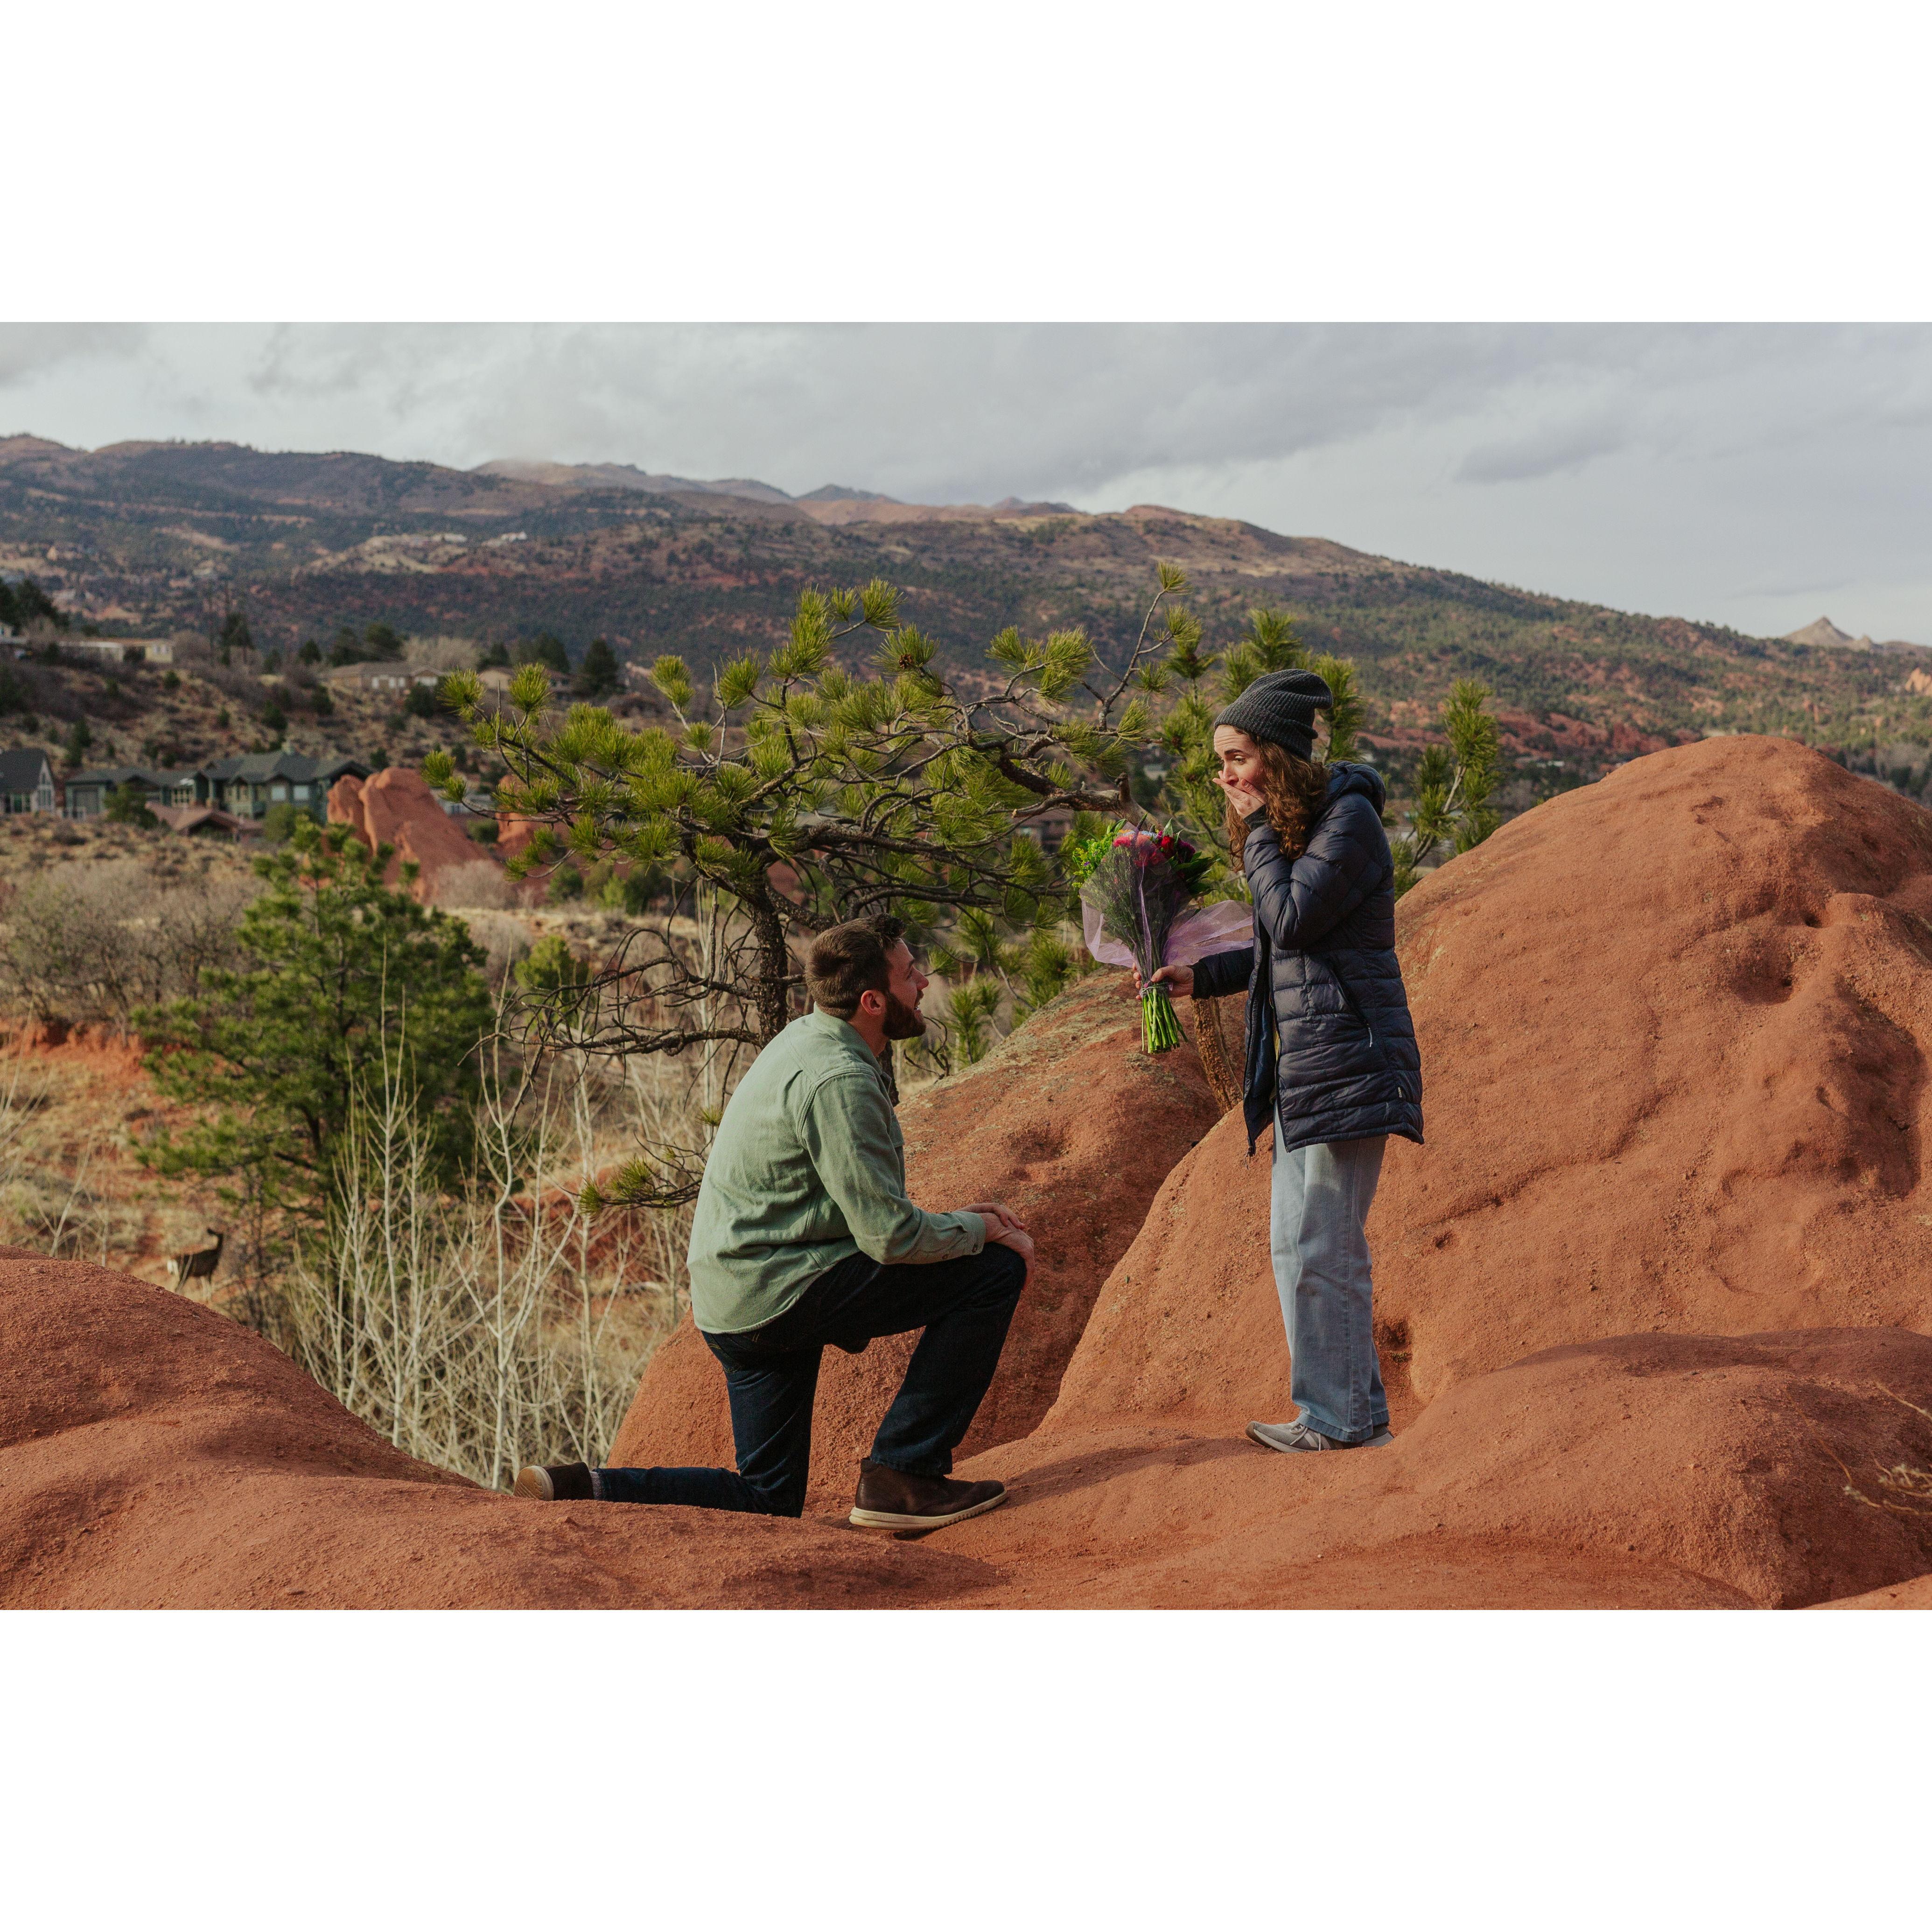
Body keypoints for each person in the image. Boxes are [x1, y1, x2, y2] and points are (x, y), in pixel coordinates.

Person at [516, 915, 1036, 1529]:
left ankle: (585, 1487)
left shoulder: (807, 1040)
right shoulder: (839, 1080)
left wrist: (952, 1222)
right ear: (872, 1001)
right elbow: (890, 1239)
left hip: (736, 1299)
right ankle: (904, 1476)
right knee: (995, 1271)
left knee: (768, 1498)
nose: (922, 982)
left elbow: (842, 1209)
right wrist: (980, 1233)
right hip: (782, 1294)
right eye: (909, 974)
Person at [1148, 667, 1422, 1452]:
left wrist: (1260, 830)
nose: (1225, 776)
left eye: (1237, 757)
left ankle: (1336, 1422)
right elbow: (1277, 949)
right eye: (1220, 761)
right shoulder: (1306, 830)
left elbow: (1293, 918)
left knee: (1323, 1248)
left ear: (1279, 755)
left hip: (1349, 1063)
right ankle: (1354, 1414)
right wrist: (1200, 977)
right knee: (1296, 1246)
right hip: (1306, 1070)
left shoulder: (1350, 823)